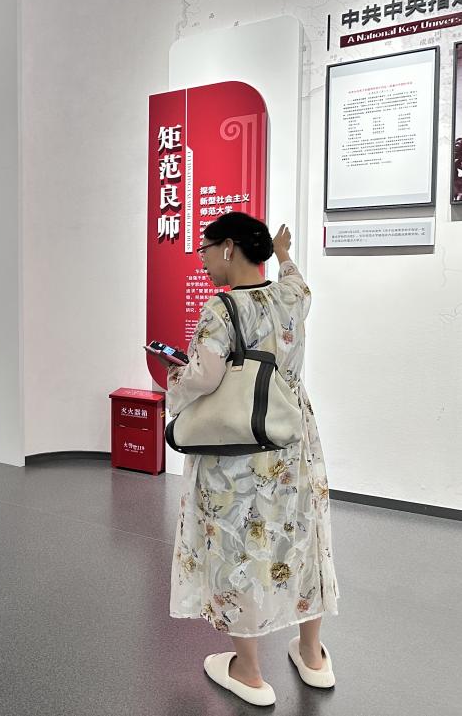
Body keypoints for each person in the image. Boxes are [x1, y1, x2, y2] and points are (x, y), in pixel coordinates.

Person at [166, 213, 339, 707]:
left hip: (238, 450)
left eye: (205, 249)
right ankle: (312, 655)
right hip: (293, 441)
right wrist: (283, 252)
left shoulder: (222, 310)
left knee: (236, 545)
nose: (202, 260)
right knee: (301, 536)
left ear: (229, 248)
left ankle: (248, 669)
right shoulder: (292, 298)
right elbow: (296, 279)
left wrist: (172, 380)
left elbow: (203, 377)